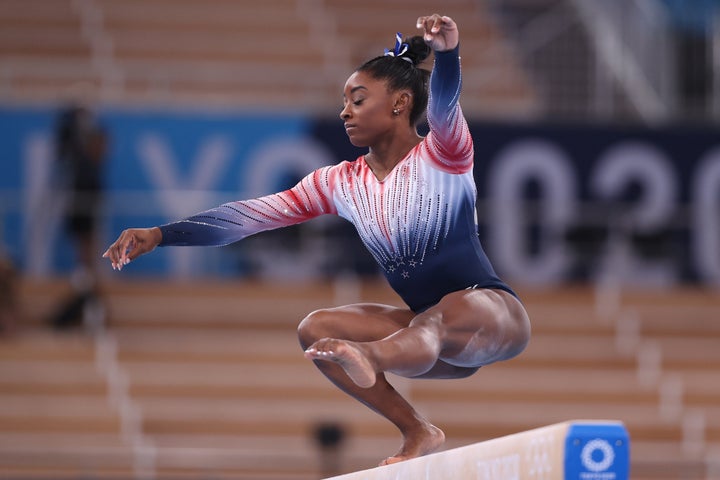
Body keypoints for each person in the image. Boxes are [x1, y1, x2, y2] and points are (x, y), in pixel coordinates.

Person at [102, 14, 531, 466]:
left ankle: (368, 354)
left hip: (491, 314)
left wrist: (447, 54)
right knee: (317, 331)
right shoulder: (340, 182)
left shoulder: (443, 153)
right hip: (426, 342)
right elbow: (250, 217)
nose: (345, 111)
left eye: (358, 99)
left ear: (400, 104)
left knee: (430, 324)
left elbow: (444, 105)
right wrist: (161, 234)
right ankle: (417, 430)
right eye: (344, 101)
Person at [52, 102, 108, 330]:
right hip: (81, 215)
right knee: (86, 259)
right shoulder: (82, 162)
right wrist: (76, 116)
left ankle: (89, 301)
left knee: (89, 261)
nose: (104, 149)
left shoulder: (92, 166)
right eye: (101, 145)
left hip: (86, 214)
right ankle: (86, 299)